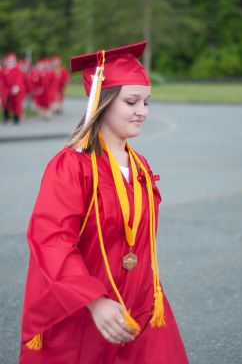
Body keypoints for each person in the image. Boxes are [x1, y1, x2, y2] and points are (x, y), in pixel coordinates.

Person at [19, 41, 189, 364]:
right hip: (83, 310)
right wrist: (94, 300)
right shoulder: (72, 167)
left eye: (147, 102)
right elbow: (51, 240)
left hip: (140, 305)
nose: (143, 111)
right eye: (131, 101)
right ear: (102, 102)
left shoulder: (140, 166)